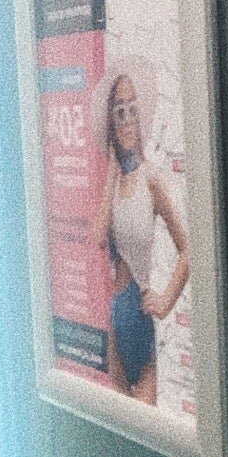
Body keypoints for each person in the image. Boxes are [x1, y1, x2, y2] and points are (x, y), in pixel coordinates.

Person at [92, 68, 189, 404]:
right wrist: (110, 173)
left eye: (132, 109)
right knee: (120, 422)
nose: (127, 120)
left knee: (146, 420)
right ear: (111, 122)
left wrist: (166, 301)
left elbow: (187, 249)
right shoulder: (114, 185)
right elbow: (98, 237)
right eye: (119, 111)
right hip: (115, 317)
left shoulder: (150, 180)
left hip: (139, 312)